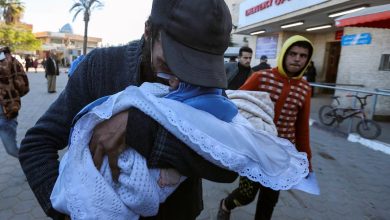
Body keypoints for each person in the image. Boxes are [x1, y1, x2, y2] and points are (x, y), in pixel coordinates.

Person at [19, 1, 239, 219]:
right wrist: (69, 211)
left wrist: (139, 128)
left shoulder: (208, 86)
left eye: (196, 70)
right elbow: (36, 144)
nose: (177, 81)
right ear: (148, 31)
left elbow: (230, 165)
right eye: (171, 63)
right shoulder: (100, 67)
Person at [218, 35, 314, 220]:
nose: (297, 59)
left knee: (269, 200)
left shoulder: (305, 88)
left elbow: (302, 129)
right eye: (293, 53)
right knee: (246, 195)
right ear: (284, 54)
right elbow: (237, 104)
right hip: (255, 149)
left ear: (307, 59)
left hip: (280, 155)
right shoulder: (261, 78)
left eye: (303, 55)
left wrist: (307, 162)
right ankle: (225, 204)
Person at [0, 46, 29, 158]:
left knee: (12, 149)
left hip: (5, 113)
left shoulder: (10, 60)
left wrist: (10, 95)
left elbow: (23, 86)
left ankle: (32, 162)